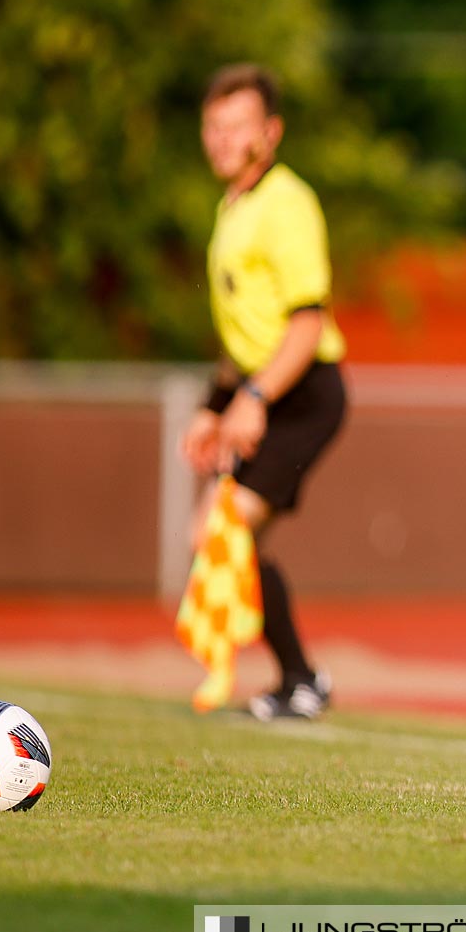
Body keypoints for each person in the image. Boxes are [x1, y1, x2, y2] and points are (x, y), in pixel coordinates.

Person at [180, 64, 348, 722]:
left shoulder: (287, 203)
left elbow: (306, 324)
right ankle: (301, 679)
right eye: (213, 126)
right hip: (268, 390)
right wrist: (213, 404)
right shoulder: (232, 208)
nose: (222, 139)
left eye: (237, 126)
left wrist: (252, 397)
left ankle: (302, 679)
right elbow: (245, 334)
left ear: (270, 134)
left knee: (222, 530)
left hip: (304, 393)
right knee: (222, 536)